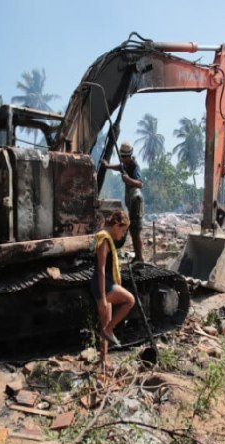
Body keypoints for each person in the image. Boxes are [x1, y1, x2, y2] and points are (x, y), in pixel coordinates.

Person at [91, 209, 135, 368]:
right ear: (116, 225)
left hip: (104, 282)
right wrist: (103, 297)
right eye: (123, 230)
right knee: (130, 300)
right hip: (103, 283)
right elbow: (101, 269)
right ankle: (109, 331)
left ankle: (103, 361)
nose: (123, 235)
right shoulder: (104, 239)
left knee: (105, 321)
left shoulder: (105, 236)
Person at [103, 140, 145, 262]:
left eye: (123, 157)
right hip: (131, 202)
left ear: (128, 157)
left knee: (135, 231)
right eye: (121, 157)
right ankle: (137, 257)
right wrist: (107, 166)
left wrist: (128, 179)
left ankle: (140, 258)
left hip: (136, 200)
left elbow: (140, 184)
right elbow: (119, 167)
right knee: (132, 230)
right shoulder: (125, 165)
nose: (122, 159)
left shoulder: (134, 166)